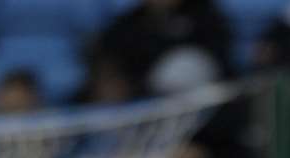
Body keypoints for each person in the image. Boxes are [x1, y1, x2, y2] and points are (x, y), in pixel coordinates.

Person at [90, 0, 232, 99]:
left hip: (205, 114)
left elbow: (224, 69)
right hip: (143, 114)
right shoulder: (125, 27)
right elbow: (107, 66)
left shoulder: (206, 17)